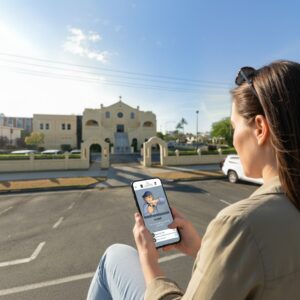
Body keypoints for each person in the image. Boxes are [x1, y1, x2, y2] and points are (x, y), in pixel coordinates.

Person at [86, 60, 300, 299]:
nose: (232, 141)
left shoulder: (240, 224)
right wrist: (202, 248)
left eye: (234, 127)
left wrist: (149, 262)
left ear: (260, 129)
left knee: (113, 257)